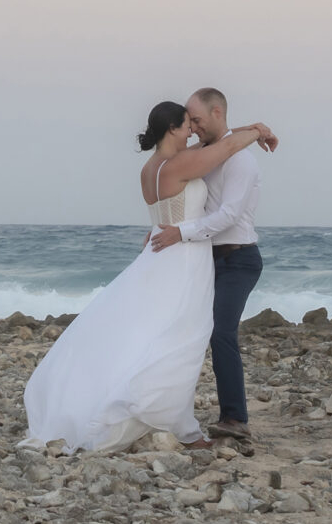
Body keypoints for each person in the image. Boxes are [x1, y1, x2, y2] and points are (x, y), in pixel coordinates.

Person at [21, 100, 276, 453]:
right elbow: (226, 145)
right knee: (181, 338)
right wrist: (259, 130)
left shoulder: (150, 168)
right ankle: (179, 424)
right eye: (187, 125)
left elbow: (218, 143)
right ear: (172, 128)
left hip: (159, 254)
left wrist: (250, 128)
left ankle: (168, 415)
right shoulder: (181, 164)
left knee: (154, 331)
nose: (192, 132)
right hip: (184, 257)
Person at [149, 86, 270, 442]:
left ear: (217, 113)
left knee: (221, 332)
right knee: (186, 331)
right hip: (205, 260)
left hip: (238, 259)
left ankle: (235, 418)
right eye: (189, 122)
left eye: (197, 120)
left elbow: (228, 215)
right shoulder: (206, 154)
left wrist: (180, 232)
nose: (194, 128)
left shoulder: (242, 161)